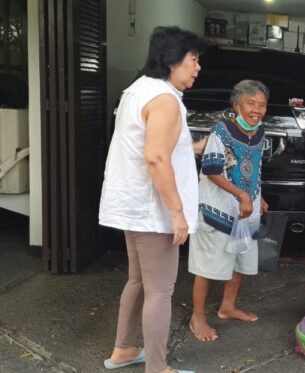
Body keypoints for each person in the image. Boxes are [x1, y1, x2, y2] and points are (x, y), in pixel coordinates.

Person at [98, 26, 206, 373]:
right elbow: (156, 159)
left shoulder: (138, 90)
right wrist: (177, 214)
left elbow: (153, 148)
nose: (197, 68)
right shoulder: (165, 100)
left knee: (139, 281)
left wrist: (192, 149)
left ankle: (124, 350)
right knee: (160, 291)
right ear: (172, 60)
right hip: (153, 212)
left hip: (134, 206)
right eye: (193, 60)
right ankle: (157, 368)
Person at [187, 80, 270, 342]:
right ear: (237, 105)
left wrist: (259, 197)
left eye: (261, 104)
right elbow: (212, 170)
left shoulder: (259, 132)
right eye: (250, 103)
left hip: (245, 212)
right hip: (218, 211)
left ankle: (227, 307)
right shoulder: (220, 132)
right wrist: (242, 195)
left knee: (239, 262)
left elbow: (253, 168)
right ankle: (197, 318)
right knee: (208, 266)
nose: (256, 109)